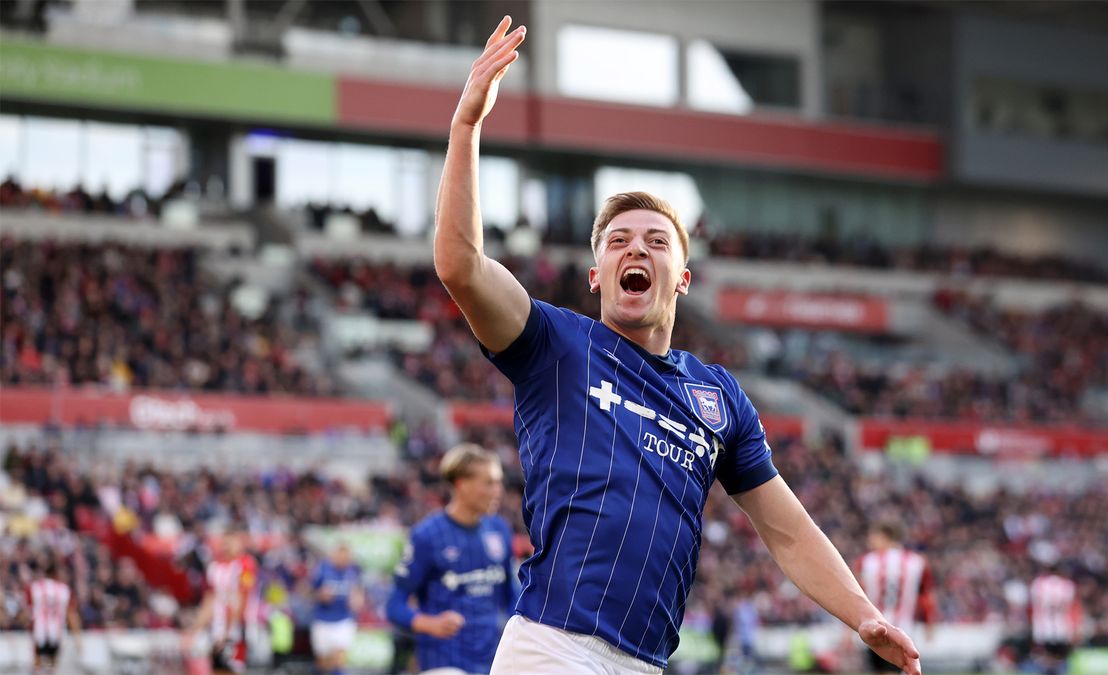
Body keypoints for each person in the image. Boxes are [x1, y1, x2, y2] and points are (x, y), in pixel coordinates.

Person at [432, 16, 922, 675]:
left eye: (656, 240)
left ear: (682, 278)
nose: (636, 246)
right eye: (618, 240)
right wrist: (466, 126)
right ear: (596, 275)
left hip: (647, 663)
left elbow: (787, 529)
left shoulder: (717, 396)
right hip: (552, 646)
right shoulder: (554, 344)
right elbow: (461, 265)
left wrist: (863, 612)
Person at [386, 443, 518, 674]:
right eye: (489, 483)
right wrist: (429, 624)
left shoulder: (499, 529)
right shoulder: (426, 535)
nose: (498, 491)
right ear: (461, 484)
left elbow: (511, 594)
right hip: (444, 661)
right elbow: (394, 605)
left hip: (493, 661)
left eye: (499, 482)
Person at [854, 522, 937, 673]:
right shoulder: (917, 562)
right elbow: (925, 597)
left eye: (874, 536)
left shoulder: (866, 561)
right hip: (903, 628)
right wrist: (929, 624)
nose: (870, 540)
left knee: (878, 670)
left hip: (873, 625)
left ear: (886, 537)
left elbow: (858, 594)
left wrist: (849, 626)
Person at [189, 531, 259, 674]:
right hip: (217, 626)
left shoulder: (245, 564)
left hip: (237, 626)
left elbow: (241, 597)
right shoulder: (215, 567)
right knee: (217, 667)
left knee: (233, 666)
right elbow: (209, 599)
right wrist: (196, 628)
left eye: (231, 543)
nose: (227, 547)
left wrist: (228, 632)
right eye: (224, 543)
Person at [310, 542, 364, 675]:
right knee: (323, 662)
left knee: (338, 659)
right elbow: (307, 592)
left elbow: (359, 593)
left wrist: (357, 600)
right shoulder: (322, 569)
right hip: (323, 619)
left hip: (343, 619)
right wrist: (319, 595)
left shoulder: (353, 571)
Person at [25, 562, 82, 674]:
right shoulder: (64, 589)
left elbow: (28, 611)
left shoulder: (35, 587)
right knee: (51, 667)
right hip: (56, 633)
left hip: (39, 632)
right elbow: (71, 614)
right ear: (56, 574)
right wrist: (78, 638)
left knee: (37, 666)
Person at [1028, 565, 1080, 675]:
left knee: (1045, 653)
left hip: (1043, 626)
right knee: (1059, 654)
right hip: (1061, 625)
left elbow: (1033, 602)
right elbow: (1069, 604)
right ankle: (1056, 670)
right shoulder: (1067, 584)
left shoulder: (1038, 583)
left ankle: (1049, 670)